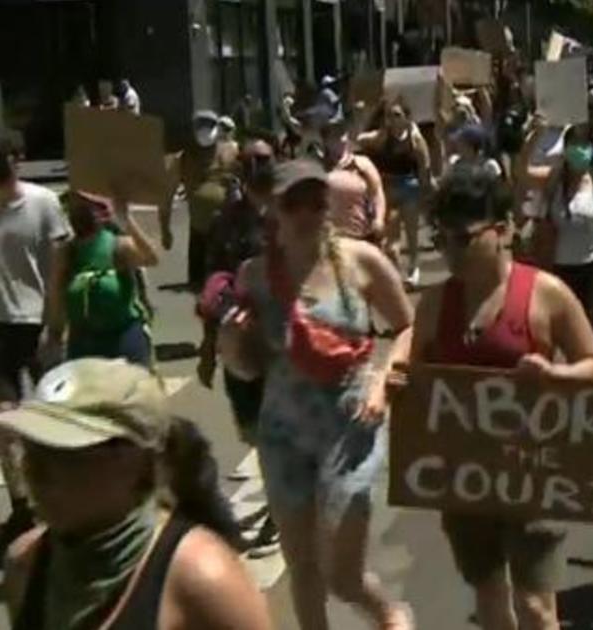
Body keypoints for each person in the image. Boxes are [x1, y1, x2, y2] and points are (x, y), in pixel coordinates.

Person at [400, 164, 593, 630]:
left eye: (464, 238)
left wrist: (555, 374)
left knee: (536, 607)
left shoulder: (546, 295)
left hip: (534, 474)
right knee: (490, 598)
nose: (451, 252)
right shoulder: (435, 304)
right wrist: (402, 388)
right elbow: (417, 380)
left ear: (504, 229)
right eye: (442, 239)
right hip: (466, 480)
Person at [218, 160, 414, 629]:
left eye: (315, 201)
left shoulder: (359, 261)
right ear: (273, 209)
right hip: (283, 432)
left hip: (349, 428)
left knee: (342, 576)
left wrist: (384, 379)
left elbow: (408, 326)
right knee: (302, 568)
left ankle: (388, 613)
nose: (306, 213)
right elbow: (247, 369)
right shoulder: (255, 276)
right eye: (293, 203)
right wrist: (228, 343)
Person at [0, 358, 273, 630]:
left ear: (138, 463)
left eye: (63, 453)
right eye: (33, 448)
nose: (36, 470)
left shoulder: (202, 579)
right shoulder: (24, 564)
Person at [197, 132, 280, 553]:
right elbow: (213, 282)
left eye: (264, 160)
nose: (256, 168)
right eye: (249, 161)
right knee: (252, 429)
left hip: (282, 343)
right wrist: (208, 348)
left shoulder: (288, 215)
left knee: (275, 431)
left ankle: (280, 513)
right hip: (239, 341)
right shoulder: (227, 220)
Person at [0, 130, 70, 553]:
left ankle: (58, 505)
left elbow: (57, 267)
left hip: (36, 322)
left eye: (9, 155)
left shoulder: (43, 203)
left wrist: (54, 322)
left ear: (20, 158)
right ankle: (22, 505)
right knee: (5, 424)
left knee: (45, 421)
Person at [42, 189, 158, 366]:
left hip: (124, 338)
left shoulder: (118, 246)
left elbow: (151, 258)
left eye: (84, 209)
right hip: (83, 344)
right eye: (72, 209)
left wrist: (127, 220)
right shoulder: (66, 253)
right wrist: (54, 337)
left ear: (100, 214)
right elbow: (55, 296)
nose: (77, 215)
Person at [528, 123, 593, 327]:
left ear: (592, 149)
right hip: (561, 266)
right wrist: (534, 136)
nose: (579, 151)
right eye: (574, 146)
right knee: (563, 325)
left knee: (589, 323)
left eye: (584, 146)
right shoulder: (553, 179)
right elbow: (521, 172)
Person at [358, 98, 433, 285]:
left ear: (407, 118)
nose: (392, 119)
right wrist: (363, 119)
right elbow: (360, 139)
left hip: (409, 187)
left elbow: (424, 166)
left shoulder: (415, 140)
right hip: (388, 188)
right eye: (389, 116)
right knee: (391, 239)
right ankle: (396, 273)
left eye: (397, 115)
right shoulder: (383, 136)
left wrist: (427, 192)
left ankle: (414, 268)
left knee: (411, 232)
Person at [176, 110, 239, 290]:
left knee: (220, 253)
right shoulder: (185, 156)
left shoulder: (229, 150)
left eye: (209, 126)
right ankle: (198, 281)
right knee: (198, 248)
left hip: (221, 216)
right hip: (198, 218)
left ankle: (218, 281)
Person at [315, 107, 387, 245]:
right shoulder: (317, 168)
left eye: (342, 134)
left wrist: (379, 219)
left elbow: (377, 193)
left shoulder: (362, 164)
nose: (339, 139)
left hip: (360, 236)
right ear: (325, 140)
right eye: (333, 135)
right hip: (329, 239)